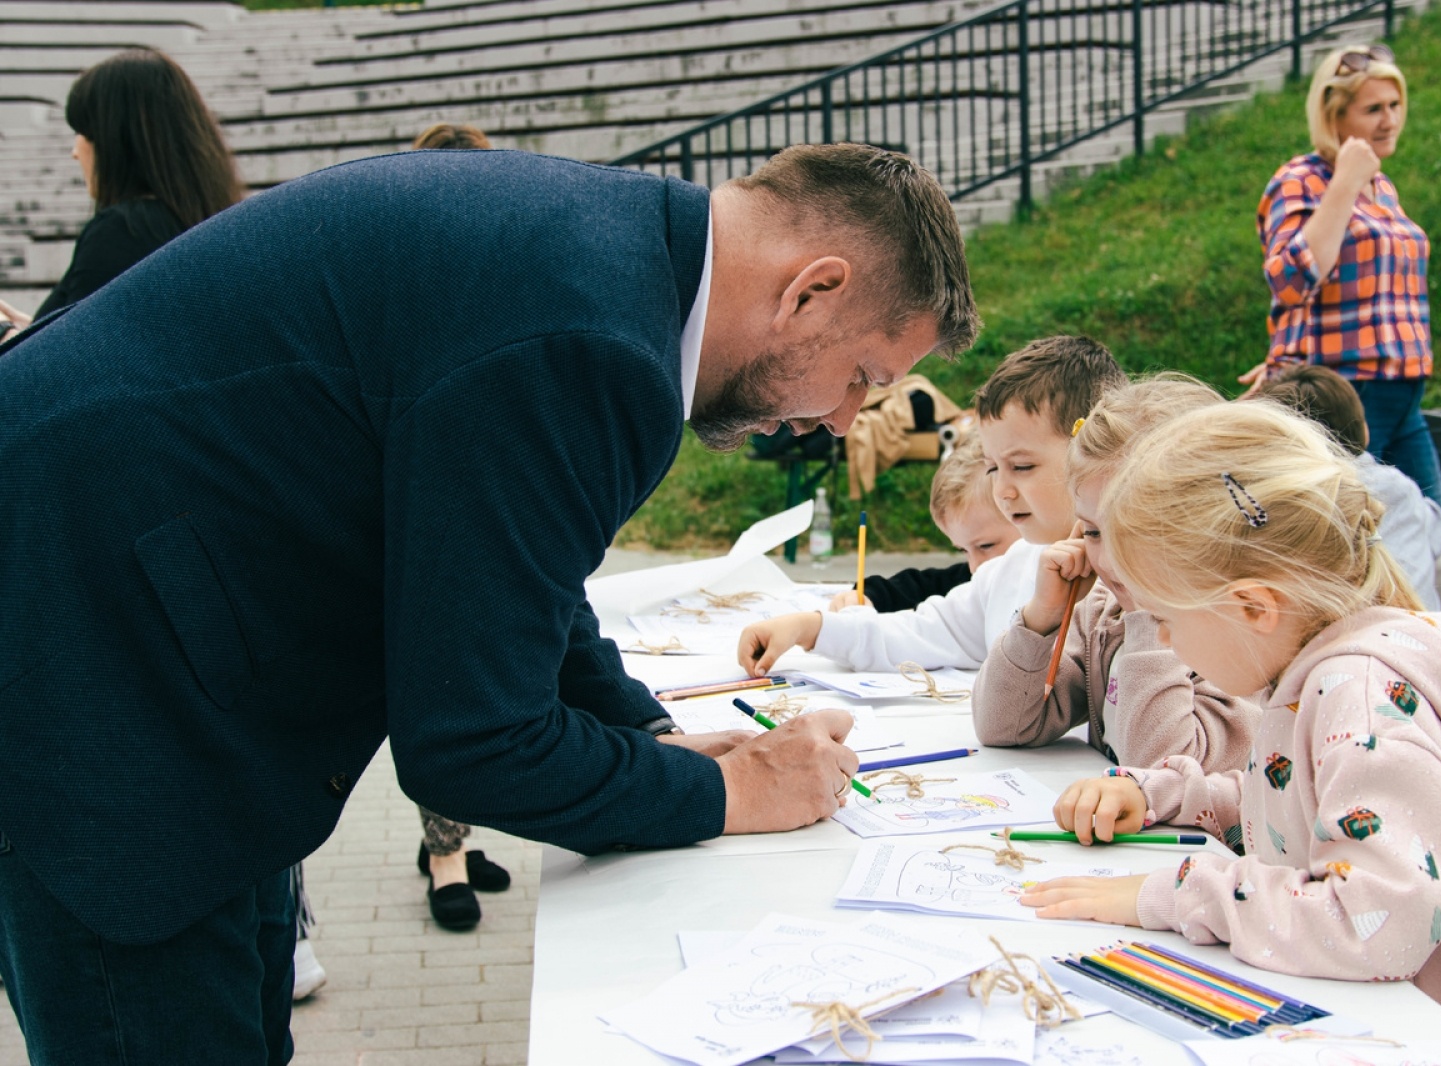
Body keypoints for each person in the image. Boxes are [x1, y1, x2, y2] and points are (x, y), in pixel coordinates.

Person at [0, 142, 978, 1064]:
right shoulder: (590, 338)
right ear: (812, 291)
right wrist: (732, 792)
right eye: (862, 378)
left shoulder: (608, 268)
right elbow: (473, 742)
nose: (841, 420)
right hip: (94, 670)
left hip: (174, 650)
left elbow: (515, 575)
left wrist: (640, 731)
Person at [1018, 401, 1441, 1061]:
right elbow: (1294, 809)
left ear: (1252, 606)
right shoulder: (1315, 676)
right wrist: (1171, 795)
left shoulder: (1358, 701)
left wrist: (1168, 893)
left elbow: (1376, 917)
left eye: (1164, 616)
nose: (1162, 638)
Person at [738, 335, 1126, 677]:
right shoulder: (1011, 570)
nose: (1003, 490)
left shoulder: (1134, 584)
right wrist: (809, 628)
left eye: (1022, 466)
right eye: (992, 468)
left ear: (1095, 449)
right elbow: (921, 632)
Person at [971, 375, 1261, 772]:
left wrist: (1149, 612)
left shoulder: (1242, 631)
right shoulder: (1105, 615)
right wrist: (1042, 617)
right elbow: (1005, 726)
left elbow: (1157, 766)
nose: (1108, 558)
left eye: (1132, 531)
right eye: (1092, 531)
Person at [1238, 44, 1441, 513]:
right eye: (1372, 109)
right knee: (1348, 538)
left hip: (1403, 388)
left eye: (1395, 106)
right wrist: (1345, 183)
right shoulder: (1300, 179)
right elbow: (1290, 281)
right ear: (1334, 117)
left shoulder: (1383, 187)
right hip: (1344, 394)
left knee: (1433, 528)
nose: (1389, 120)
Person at [401, 119, 514, 933]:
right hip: (436, 523)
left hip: (491, 507)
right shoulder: (419, 280)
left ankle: (453, 838)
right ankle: (443, 855)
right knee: (448, 687)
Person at [0, 47, 241, 336]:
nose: (75, 151)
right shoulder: (208, 226)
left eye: (83, 132)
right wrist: (33, 333)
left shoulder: (122, 232)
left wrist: (7, 336)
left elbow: (80, 364)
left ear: (116, 141)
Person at [1256, 364, 1441, 608]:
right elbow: (1438, 536)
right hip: (1427, 630)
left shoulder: (1283, 507)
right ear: (1365, 430)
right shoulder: (1398, 488)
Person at [825, 433, 1019, 612]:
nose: (974, 566)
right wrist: (868, 596)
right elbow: (922, 586)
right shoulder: (974, 580)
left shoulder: (1043, 590)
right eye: (963, 550)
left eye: (986, 546)